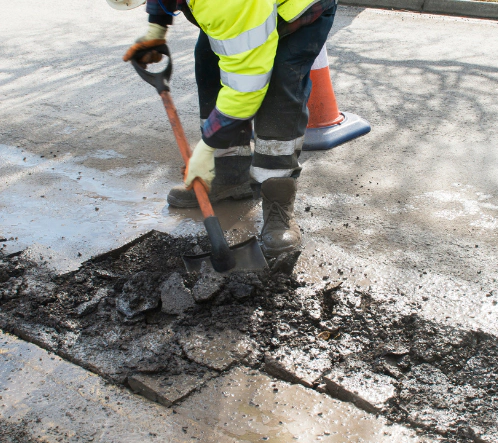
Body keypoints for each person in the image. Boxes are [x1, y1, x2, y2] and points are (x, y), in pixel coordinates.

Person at [118, 0, 336, 257]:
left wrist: (206, 148)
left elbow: (247, 85)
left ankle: (277, 198)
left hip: (297, 11)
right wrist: (157, 25)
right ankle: (229, 174)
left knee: (279, 89)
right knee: (210, 63)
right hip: (244, 13)